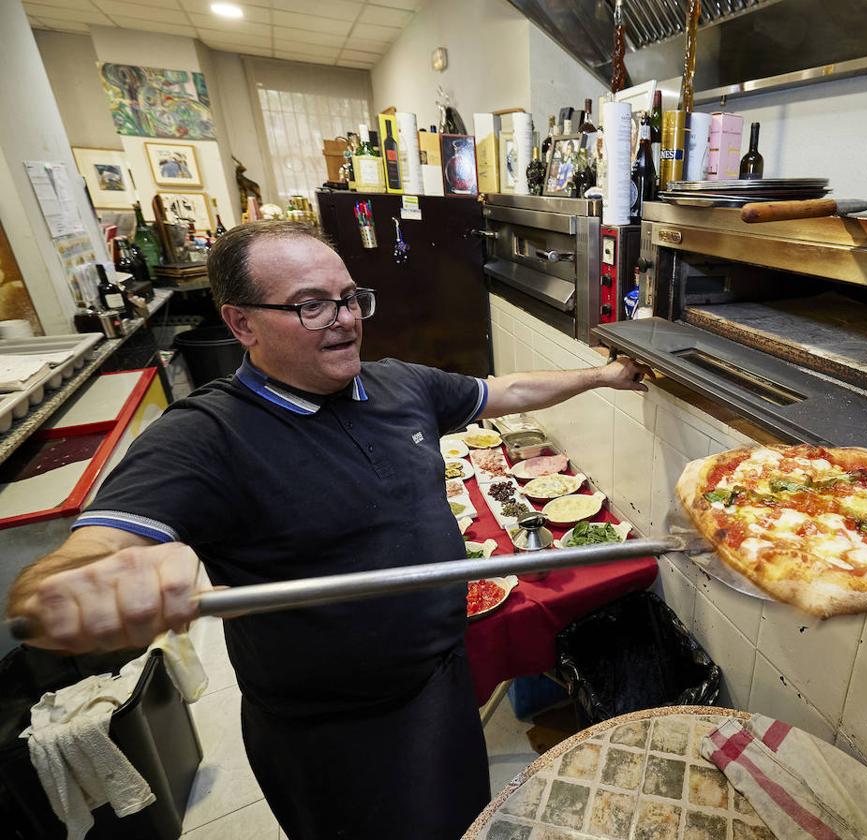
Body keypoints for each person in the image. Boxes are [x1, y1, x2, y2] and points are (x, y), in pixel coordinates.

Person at [5, 221, 652, 840]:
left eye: (349, 299)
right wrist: (86, 581)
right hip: (330, 731)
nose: (344, 319)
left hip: (442, 682)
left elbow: (502, 391)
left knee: (458, 821)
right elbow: (93, 549)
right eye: (311, 305)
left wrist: (602, 375)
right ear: (241, 322)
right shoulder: (206, 436)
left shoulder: (400, 385)